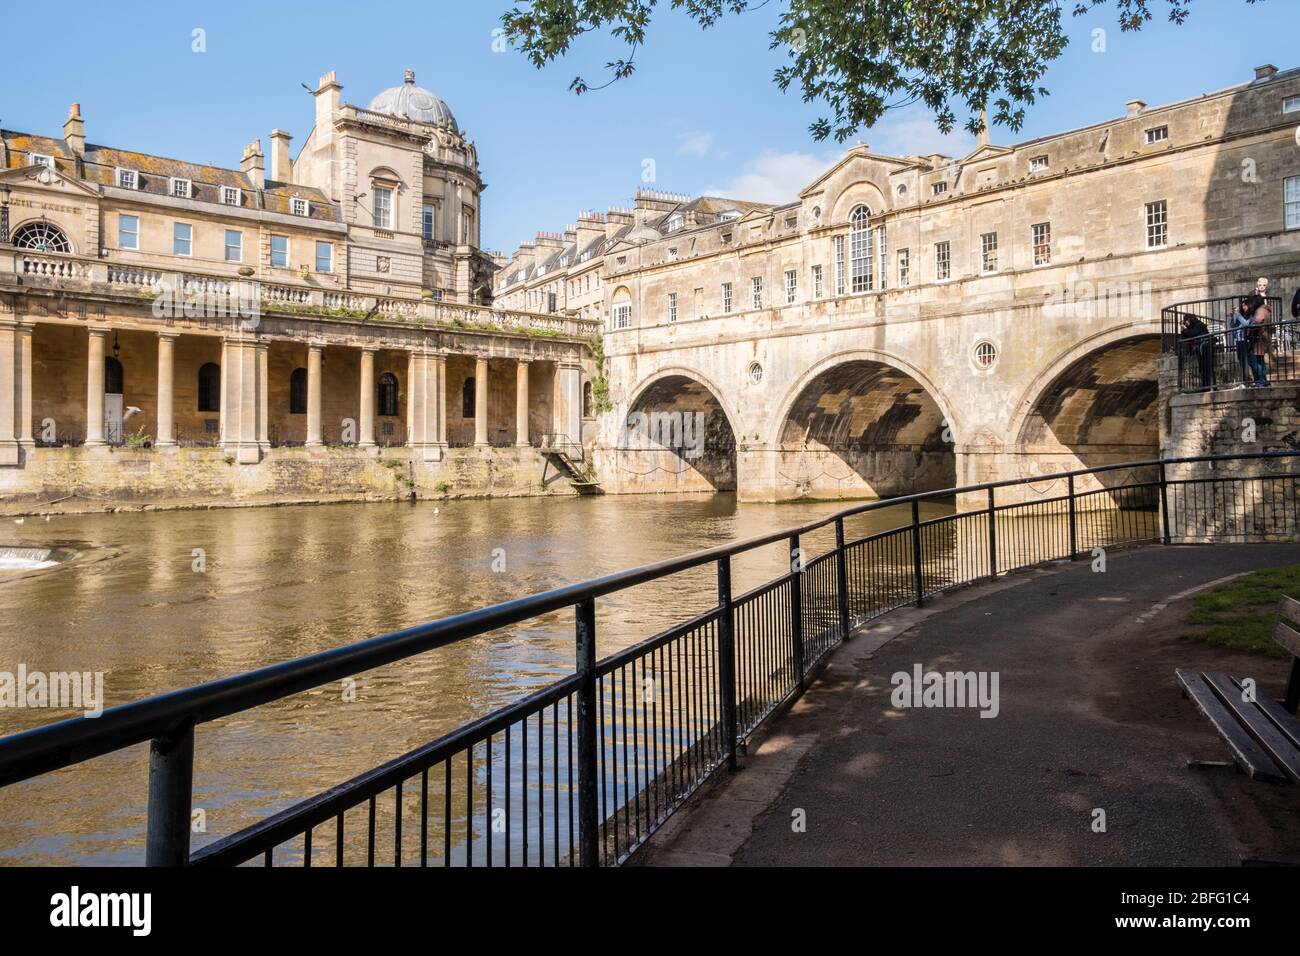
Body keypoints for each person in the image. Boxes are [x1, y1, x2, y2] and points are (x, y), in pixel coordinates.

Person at [1179, 313, 1215, 388]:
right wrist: (1183, 330)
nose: (1186, 323)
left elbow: (1192, 333)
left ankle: (1211, 385)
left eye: (1186, 321)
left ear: (1189, 320)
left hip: (1206, 346)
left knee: (1208, 367)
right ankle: (1205, 386)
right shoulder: (1191, 327)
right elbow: (1184, 337)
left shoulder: (1199, 325)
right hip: (1201, 349)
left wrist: (1185, 329)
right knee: (1202, 368)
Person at [1227, 297, 1256, 386]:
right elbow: (1233, 326)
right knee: (1241, 361)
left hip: (1246, 340)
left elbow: (1246, 324)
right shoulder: (1241, 316)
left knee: (1247, 360)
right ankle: (1245, 379)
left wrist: (1238, 315)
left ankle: (1251, 380)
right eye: (1242, 306)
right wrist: (1232, 317)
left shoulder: (1251, 315)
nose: (1243, 307)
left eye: (1245, 305)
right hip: (1238, 340)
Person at [1247, 302, 1273, 387]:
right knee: (1259, 361)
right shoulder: (1265, 310)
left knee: (1255, 361)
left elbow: (1257, 321)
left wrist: (1250, 324)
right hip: (1262, 338)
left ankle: (1261, 381)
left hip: (1259, 339)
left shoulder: (1260, 310)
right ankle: (1263, 380)